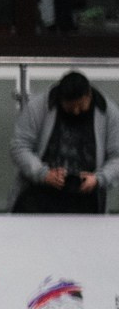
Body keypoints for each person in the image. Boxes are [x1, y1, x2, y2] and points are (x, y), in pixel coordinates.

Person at [10, 70, 116, 214]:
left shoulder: (109, 113)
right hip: (39, 196)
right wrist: (43, 174)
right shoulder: (38, 107)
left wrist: (98, 179)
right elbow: (19, 146)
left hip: (87, 199)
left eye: (81, 106)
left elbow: (117, 157)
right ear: (60, 99)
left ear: (89, 95)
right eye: (70, 107)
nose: (76, 112)